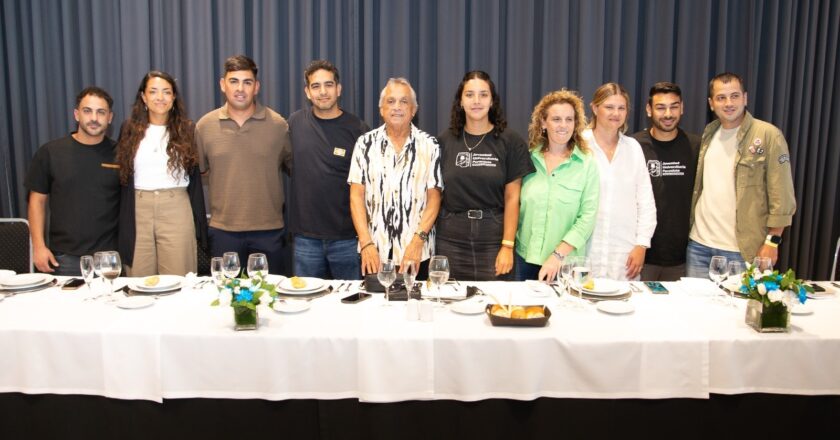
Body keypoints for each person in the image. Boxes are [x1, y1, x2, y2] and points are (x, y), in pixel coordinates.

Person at [686, 72, 796, 277]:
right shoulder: (709, 133)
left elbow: (782, 195)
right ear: (711, 103)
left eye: (734, 96)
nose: (728, 103)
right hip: (699, 246)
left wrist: (772, 242)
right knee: (697, 309)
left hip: (743, 251)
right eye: (721, 98)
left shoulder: (768, 135)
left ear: (745, 98)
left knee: (738, 309)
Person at [195, 55, 292, 275]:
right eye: (234, 81)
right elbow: (201, 172)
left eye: (247, 82)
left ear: (256, 87)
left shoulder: (278, 125)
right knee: (226, 298)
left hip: (269, 230)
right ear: (222, 84)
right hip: (223, 230)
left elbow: (294, 167)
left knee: (271, 297)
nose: (240, 89)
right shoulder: (204, 126)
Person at [435, 71, 533, 281]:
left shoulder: (510, 141)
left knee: (494, 303)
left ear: (492, 101)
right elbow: (435, 193)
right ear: (460, 101)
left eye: (483, 95)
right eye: (469, 95)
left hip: (493, 237)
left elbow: (513, 197)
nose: (476, 101)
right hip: (451, 237)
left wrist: (507, 245)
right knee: (449, 302)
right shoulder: (444, 140)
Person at [115, 71, 208, 276]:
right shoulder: (128, 129)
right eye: (153, 91)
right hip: (138, 208)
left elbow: (196, 177)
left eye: (166, 92)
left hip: (176, 206)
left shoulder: (188, 129)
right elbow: (122, 176)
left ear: (173, 97)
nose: (160, 97)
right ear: (143, 97)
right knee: (139, 277)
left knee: (178, 276)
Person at [348, 78, 443, 277]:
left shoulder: (430, 145)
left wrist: (417, 242)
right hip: (374, 252)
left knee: (415, 307)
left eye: (404, 101)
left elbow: (434, 199)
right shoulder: (364, 144)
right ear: (381, 109)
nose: (397, 107)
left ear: (414, 109)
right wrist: (366, 243)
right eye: (390, 102)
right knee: (374, 306)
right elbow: (356, 197)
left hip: (417, 253)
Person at [25, 87, 121, 275]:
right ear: (76, 114)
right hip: (63, 258)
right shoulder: (51, 152)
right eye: (87, 111)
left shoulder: (122, 154)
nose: (94, 118)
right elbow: (37, 201)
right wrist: (38, 247)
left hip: (110, 258)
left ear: (110, 117)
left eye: (101, 112)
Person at [287, 60, 369, 280]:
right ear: (307, 91)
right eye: (315, 86)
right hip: (305, 239)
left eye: (328, 85)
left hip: (348, 238)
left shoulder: (358, 129)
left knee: (350, 304)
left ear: (339, 89)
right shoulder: (294, 123)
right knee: (306, 305)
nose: (322, 92)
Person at [515, 90, 599, 281]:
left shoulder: (586, 164)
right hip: (524, 260)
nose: (563, 125)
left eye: (569, 119)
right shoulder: (528, 159)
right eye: (556, 119)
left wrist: (558, 255)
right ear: (543, 123)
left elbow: (587, 217)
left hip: (566, 265)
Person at [583, 83, 656, 281]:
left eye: (621, 108)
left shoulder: (633, 148)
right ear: (595, 108)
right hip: (585, 252)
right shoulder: (579, 145)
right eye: (609, 107)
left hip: (624, 255)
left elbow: (646, 202)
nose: (615, 113)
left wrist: (642, 244)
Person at [631, 82, 700, 281]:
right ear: (649, 109)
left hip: (683, 256)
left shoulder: (696, 146)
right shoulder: (634, 146)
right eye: (661, 107)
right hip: (641, 255)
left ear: (682, 108)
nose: (668, 114)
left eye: (674, 106)